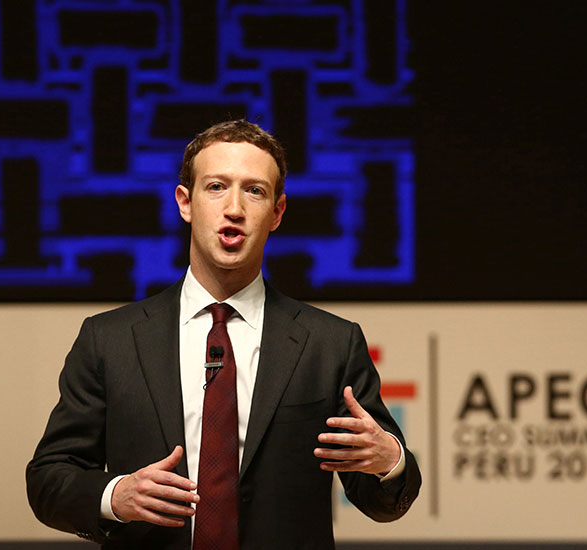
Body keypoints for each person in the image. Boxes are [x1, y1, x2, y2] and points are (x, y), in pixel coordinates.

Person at [26, 120, 421, 549]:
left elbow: (381, 499)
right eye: (216, 187)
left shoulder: (329, 344)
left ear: (277, 212)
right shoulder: (110, 340)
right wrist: (114, 495)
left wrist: (390, 461)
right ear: (185, 202)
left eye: (254, 191)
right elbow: (49, 479)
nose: (234, 207)